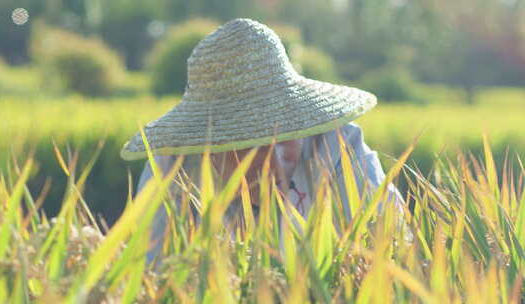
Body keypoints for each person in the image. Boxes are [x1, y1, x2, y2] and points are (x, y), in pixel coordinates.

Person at [120, 18, 405, 263]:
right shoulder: (173, 168)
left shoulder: (340, 147)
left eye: (286, 136)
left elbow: (394, 248)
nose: (278, 160)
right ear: (209, 148)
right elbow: (148, 272)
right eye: (253, 144)